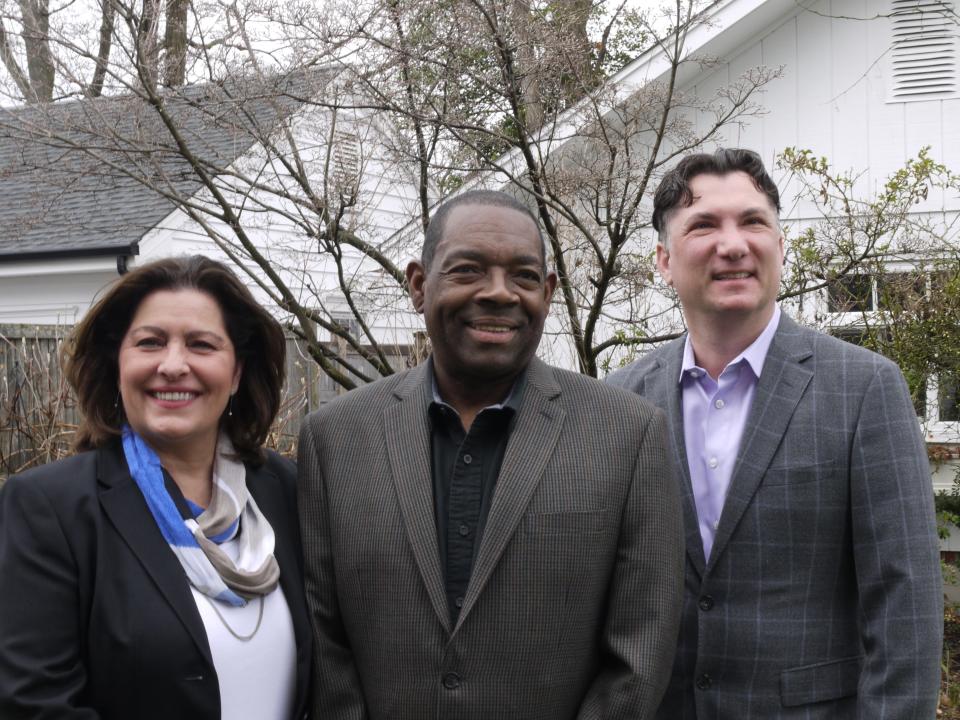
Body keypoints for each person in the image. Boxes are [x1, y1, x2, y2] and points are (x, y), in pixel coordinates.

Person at [298, 189, 683, 719]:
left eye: (524, 276)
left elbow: (641, 649)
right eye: (468, 270)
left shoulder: (627, 434)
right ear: (418, 284)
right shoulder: (334, 440)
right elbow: (325, 644)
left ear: (547, 292)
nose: (499, 293)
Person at [607, 148, 943, 718]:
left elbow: (905, 604)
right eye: (704, 225)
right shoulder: (620, 401)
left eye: (754, 222)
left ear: (781, 247)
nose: (732, 244)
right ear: (663, 261)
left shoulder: (863, 390)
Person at [0, 256, 312, 720]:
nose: (172, 365)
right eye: (150, 342)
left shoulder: (284, 490)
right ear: (118, 363)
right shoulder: (49, 510)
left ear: (237, 373)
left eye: (202, 345)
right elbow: (35, 704)